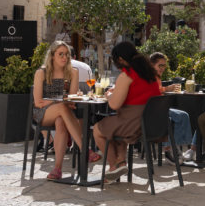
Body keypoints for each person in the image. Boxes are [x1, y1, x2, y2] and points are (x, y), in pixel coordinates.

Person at [93, 41, 161, 182]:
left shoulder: (127, 75)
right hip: (152, 125)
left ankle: (113, 167)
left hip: (134, 123)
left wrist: (109, 94)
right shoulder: (150, 73)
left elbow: (114, 105)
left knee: (98, 130)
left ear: (120, 60)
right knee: (115, 126)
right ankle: (121, 161)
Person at [32, 40, 99, 180]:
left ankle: (57, 169)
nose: (64, 57)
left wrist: (54, 99)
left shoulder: (72, 73)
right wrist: (60, 99)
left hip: (62, 111)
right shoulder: (42, 72)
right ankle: (85, 149)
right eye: (60, 54)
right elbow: (38, 102)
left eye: (67, 55)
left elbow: (71, 99)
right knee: (62, 108)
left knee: (61, 121)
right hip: (42, 112)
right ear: (52, 56)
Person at [148, 52, 192, 162]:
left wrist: (167, 89)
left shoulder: (156, 76)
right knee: (176, 118)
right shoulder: (148, 76)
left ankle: (175, 147)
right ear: (152, 65)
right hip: (150, 110)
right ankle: (169, 149)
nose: (162, 68)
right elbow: (153, 92)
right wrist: (167, 89)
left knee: (183, 115)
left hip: (158, 107)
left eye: (164, 65)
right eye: (160, 65)